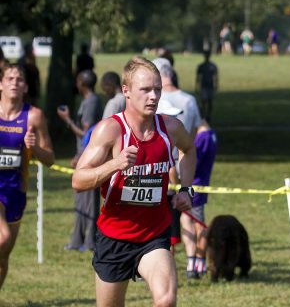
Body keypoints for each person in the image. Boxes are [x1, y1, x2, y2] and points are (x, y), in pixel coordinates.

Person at [71, 56, 196, 306]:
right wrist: (114, 164)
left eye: (157, 90)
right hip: (114, 237)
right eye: (146, 90)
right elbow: (78, 180)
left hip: (154, 236)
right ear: (126, 91)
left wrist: (186, 189)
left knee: (166, 300)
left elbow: (189, 150)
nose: (153, 96)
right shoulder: (110, 130)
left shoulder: (170, 128)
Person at [0, 63, 55, 289]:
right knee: (1, 238)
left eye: (19, 79)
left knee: (3, 257)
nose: (15, 83)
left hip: (16, 192)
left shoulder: (33, 116)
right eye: (10, 78)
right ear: (0, 84)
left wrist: (34, 148)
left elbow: (50, 158)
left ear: (25, 86)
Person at [152, 58, 202, 277]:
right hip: (184, 168)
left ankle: (167, 267)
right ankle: (193, 263)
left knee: (167, 222)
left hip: (164, 170)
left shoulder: (153, 100)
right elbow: (194, 135)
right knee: (189, 215)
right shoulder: (189, 100)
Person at [57, 70, 103, 251]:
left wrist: (67, 120)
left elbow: (87, 134)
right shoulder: (88, 101)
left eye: (77, 81)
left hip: (89, 158)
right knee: (81, 201)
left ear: (82, 83)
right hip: (84, 156)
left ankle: (90, 241)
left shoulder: (92, 102)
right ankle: (78, 240)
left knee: (90, 202)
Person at [182, 119, 217, 279]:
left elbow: (193, 162)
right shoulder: (211, 135)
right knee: (194, 222)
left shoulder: (203, 137)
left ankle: (198, 262)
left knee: (197, 224)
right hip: (201, 185)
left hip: (194, 186)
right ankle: (197, 261)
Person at [195, 50, 218, 122]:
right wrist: (197, 86)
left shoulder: (213, 66)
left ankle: (208, 116)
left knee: (210, 102)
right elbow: (198, 77)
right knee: (203, 102)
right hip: (204, 86)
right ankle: (203, 116)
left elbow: (216, 77)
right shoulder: (201, 66)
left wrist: (216, 85)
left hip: (210, 86)